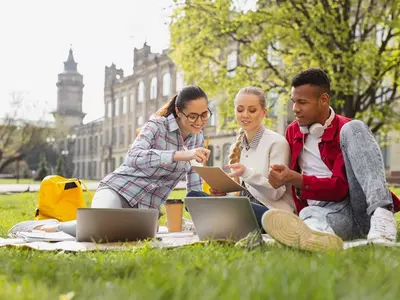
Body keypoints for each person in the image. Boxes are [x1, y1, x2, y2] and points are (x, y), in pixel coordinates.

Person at [9, 85, 212, 237]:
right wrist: (179, 155)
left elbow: (194, 186)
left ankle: (82, 225)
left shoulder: (198, 138)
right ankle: (46, 227)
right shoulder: (157, 125)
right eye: (193, 116)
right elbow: (134, 156)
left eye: (204, 115)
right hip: (118, 189)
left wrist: (203, 219)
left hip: (147, 208)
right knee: (100, 227)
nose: (199, 121)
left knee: (129, 237)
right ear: (178, 111)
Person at [261, 68, 400, 251]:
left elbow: (340, 189)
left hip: (356, 207)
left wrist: (295, 179)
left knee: (356, 127)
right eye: (294, 102)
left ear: (324, 100)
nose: (295, 109)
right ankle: (314, 234)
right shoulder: (293, 131)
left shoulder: (345, 129)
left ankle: (382, 214)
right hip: (325, 214)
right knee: (311, 216)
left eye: (302, 102)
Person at [187, 87, 296, 228]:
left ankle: (221, 220)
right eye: (240, 110)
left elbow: (276, 193)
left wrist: (246, 173)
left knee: (237, 208)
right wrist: (223, 193)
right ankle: (225, 219)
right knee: (193, 196)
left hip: (271, 214)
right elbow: (240, 196)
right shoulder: (236, 147)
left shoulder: (277, 143)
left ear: (264, 113)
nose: (245, 115)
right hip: (243, 208)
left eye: (252, 110)